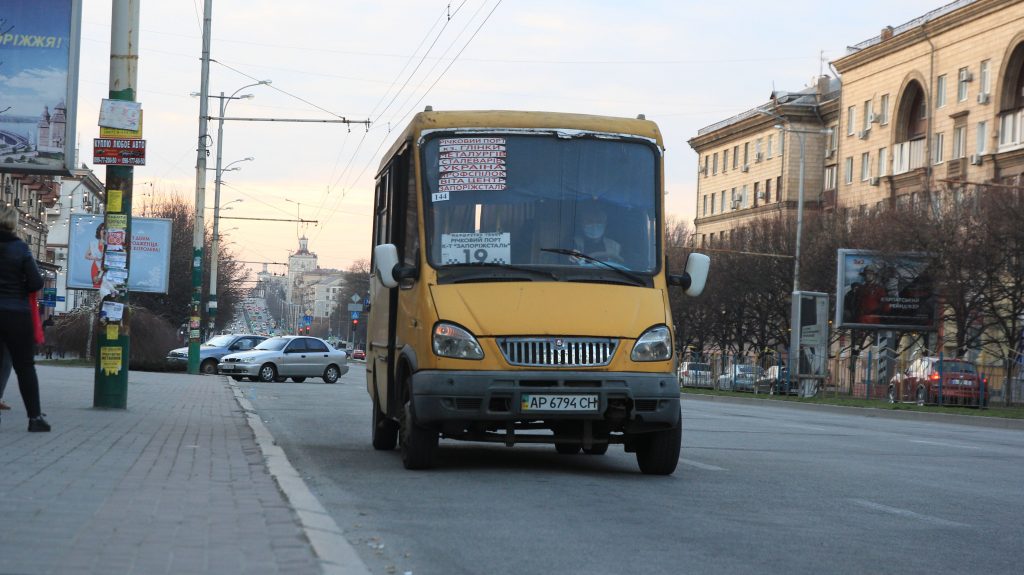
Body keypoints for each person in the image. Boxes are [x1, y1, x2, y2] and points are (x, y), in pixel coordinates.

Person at [0, 204, 50, 431]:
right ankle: (35, 418)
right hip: (16, 314)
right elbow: (37, 282)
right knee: (24, 367)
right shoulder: (20, 249)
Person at [85, 222, 105, 288]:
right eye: (102, 229)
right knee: (96, 283)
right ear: (99, 231)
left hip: (105, 268)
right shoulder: (94, 243)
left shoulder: (109, 244)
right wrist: (95, 258)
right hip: (96, 266)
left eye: (105, 230)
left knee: (105, 286)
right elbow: (86, 256)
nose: (103, 231)